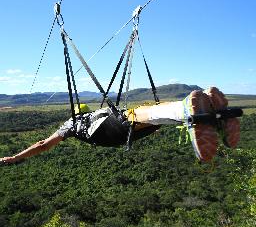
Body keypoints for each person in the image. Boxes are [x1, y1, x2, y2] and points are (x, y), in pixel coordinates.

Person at [0, 87, 240, 164]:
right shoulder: (72, 124)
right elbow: (44, 144)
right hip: (110, 131)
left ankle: (212, 116)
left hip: (114, 134)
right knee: (139, 114)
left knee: (152, 117)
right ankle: (190, 108)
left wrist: (16, 157)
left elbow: (43, 145)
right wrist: (14, 157)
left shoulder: (73, 124)